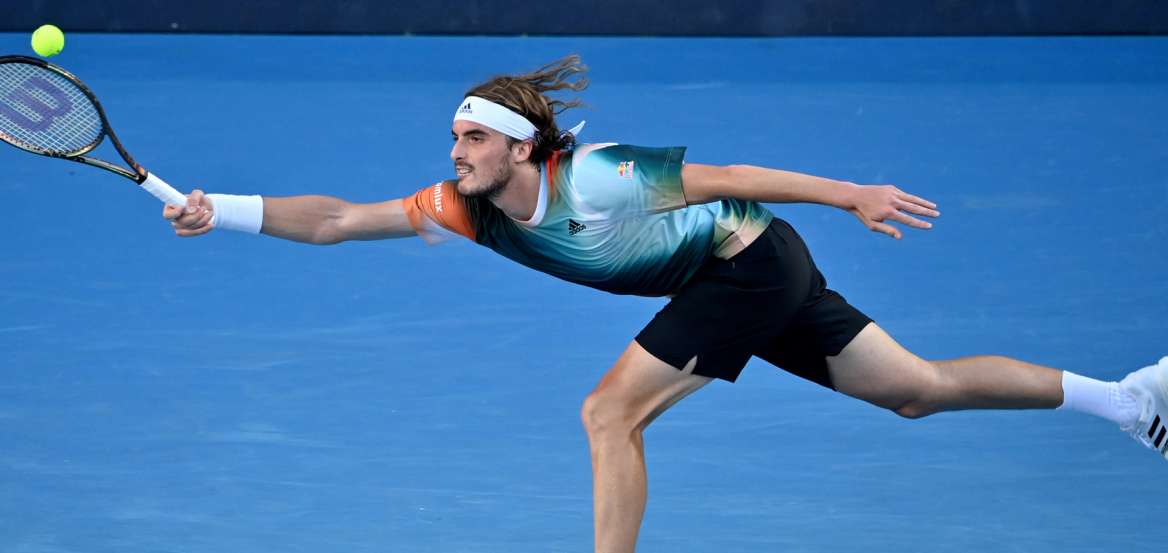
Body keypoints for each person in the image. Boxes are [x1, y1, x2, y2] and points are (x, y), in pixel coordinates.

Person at [164, 55, 1167, 553]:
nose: (455, 152)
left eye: (472, 139)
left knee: (609, 412)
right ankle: (1130, 400)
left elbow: (732, 175)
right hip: (737, 275)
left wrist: (850, 192)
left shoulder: (602, 175)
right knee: (917, 389)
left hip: (746, 265)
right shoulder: (464, 208)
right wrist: (227, 210)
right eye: (455, 137)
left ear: (520, 147)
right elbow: (339, 220)